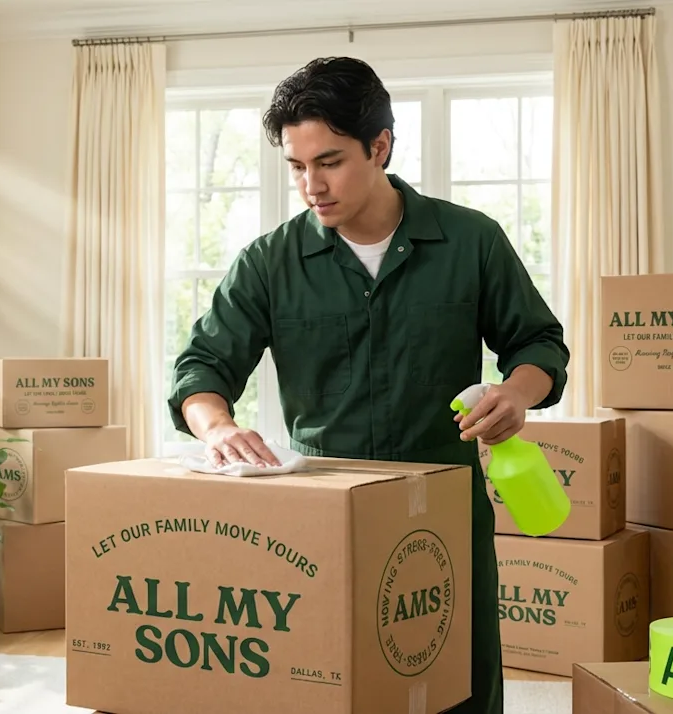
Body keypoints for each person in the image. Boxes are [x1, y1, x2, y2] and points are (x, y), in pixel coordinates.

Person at [166, 56, 569, 714]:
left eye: (329, 162)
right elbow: (202, 367)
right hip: (322, 518)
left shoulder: (471, 241)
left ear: (379, 147)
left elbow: (538, 343)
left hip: (442, 513)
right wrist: (218, 428)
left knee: (458, 686)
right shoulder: (269, 262)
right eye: (296, 167)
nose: (311, 186)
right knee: (328, 687)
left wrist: (517, 393)